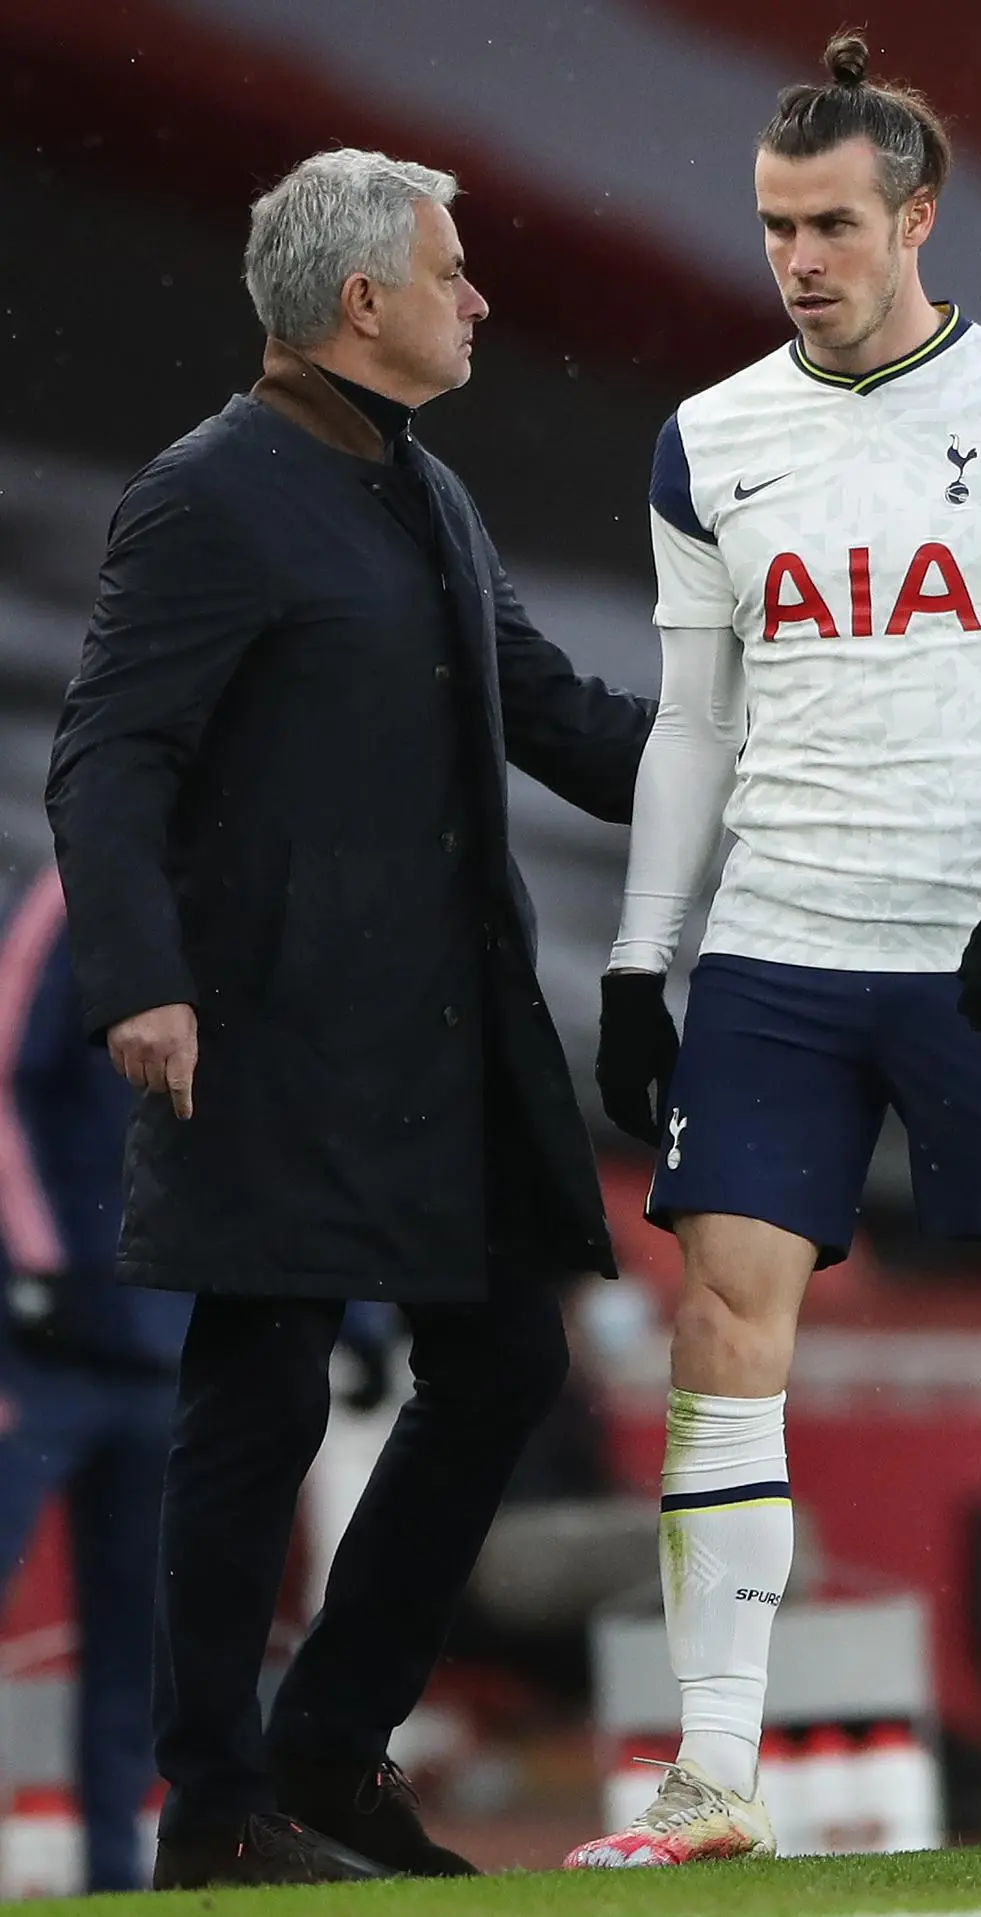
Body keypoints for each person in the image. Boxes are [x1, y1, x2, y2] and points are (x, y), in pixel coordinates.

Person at [565, 33, 981, 1869]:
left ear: (917, 215)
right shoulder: (711, 438)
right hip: (779, 953)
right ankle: (711, 1778)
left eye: (834, 225)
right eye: (777, 225)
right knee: (720, 1331)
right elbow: (693, 728)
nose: (800, 259)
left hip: (975, 957)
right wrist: (639, 960)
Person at [44, 149, 653, 1891]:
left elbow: (554, 713)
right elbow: (109, 752)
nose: (478, 299)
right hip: (273, 1033)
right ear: (362, 301)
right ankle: (214, 1810)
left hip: (445, 1040)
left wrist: (773, 748)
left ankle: (323, 1746)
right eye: (452, 273)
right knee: (259, 1402)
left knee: (506, 1365)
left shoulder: (426, 490)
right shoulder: (204, 494)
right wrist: (141, 977)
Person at [0, 864, 188, 1892]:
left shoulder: (246, 888)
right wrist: (35, 1265)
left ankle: (120, 1881)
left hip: (163, 1346)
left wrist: (362, 1307)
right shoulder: (67, 897)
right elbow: (2, 1074)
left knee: (141, 1634)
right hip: (39, 1347)